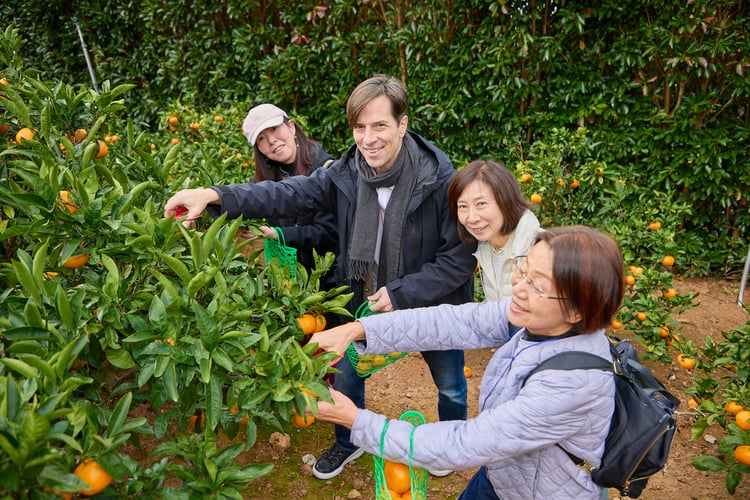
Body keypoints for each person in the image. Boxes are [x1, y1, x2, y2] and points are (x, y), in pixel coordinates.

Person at [164, 75, 477, 480]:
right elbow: (287, 194)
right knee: (344, 372)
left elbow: (457, 261)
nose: (368, 139)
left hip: (430, 304)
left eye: (380, 125)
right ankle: (349, 442)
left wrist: (402, 292)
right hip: (364, 294)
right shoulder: (346, 173)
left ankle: (450, 445)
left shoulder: (441, 181)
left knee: (450, 382)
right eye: (359, 127)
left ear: (402, 124)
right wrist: (214, 195)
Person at [309, 225, 623, 499]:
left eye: (537, 285)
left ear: (578, 311)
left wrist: (355, 420)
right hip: (503, 474)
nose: (518, 287)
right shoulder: (537, 319)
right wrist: (358, 329)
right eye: (523, 269)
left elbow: (464, 443)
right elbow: (452, 322)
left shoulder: (570, 385)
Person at [241, 103, 337, 272]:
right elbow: (244, 199)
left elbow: (329, 233)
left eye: (274, 129)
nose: (271, 141)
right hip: (289, 277)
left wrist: (278, 234)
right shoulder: (265, 179)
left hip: (328, 274)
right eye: (261, 138)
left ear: (291, 127)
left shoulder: (325, 170)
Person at [447, 159, 540, 301]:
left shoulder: (539, 250)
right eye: (463, 206)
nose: (472, 218)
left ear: (506, 200)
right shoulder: (486, 247)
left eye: (481, 204)